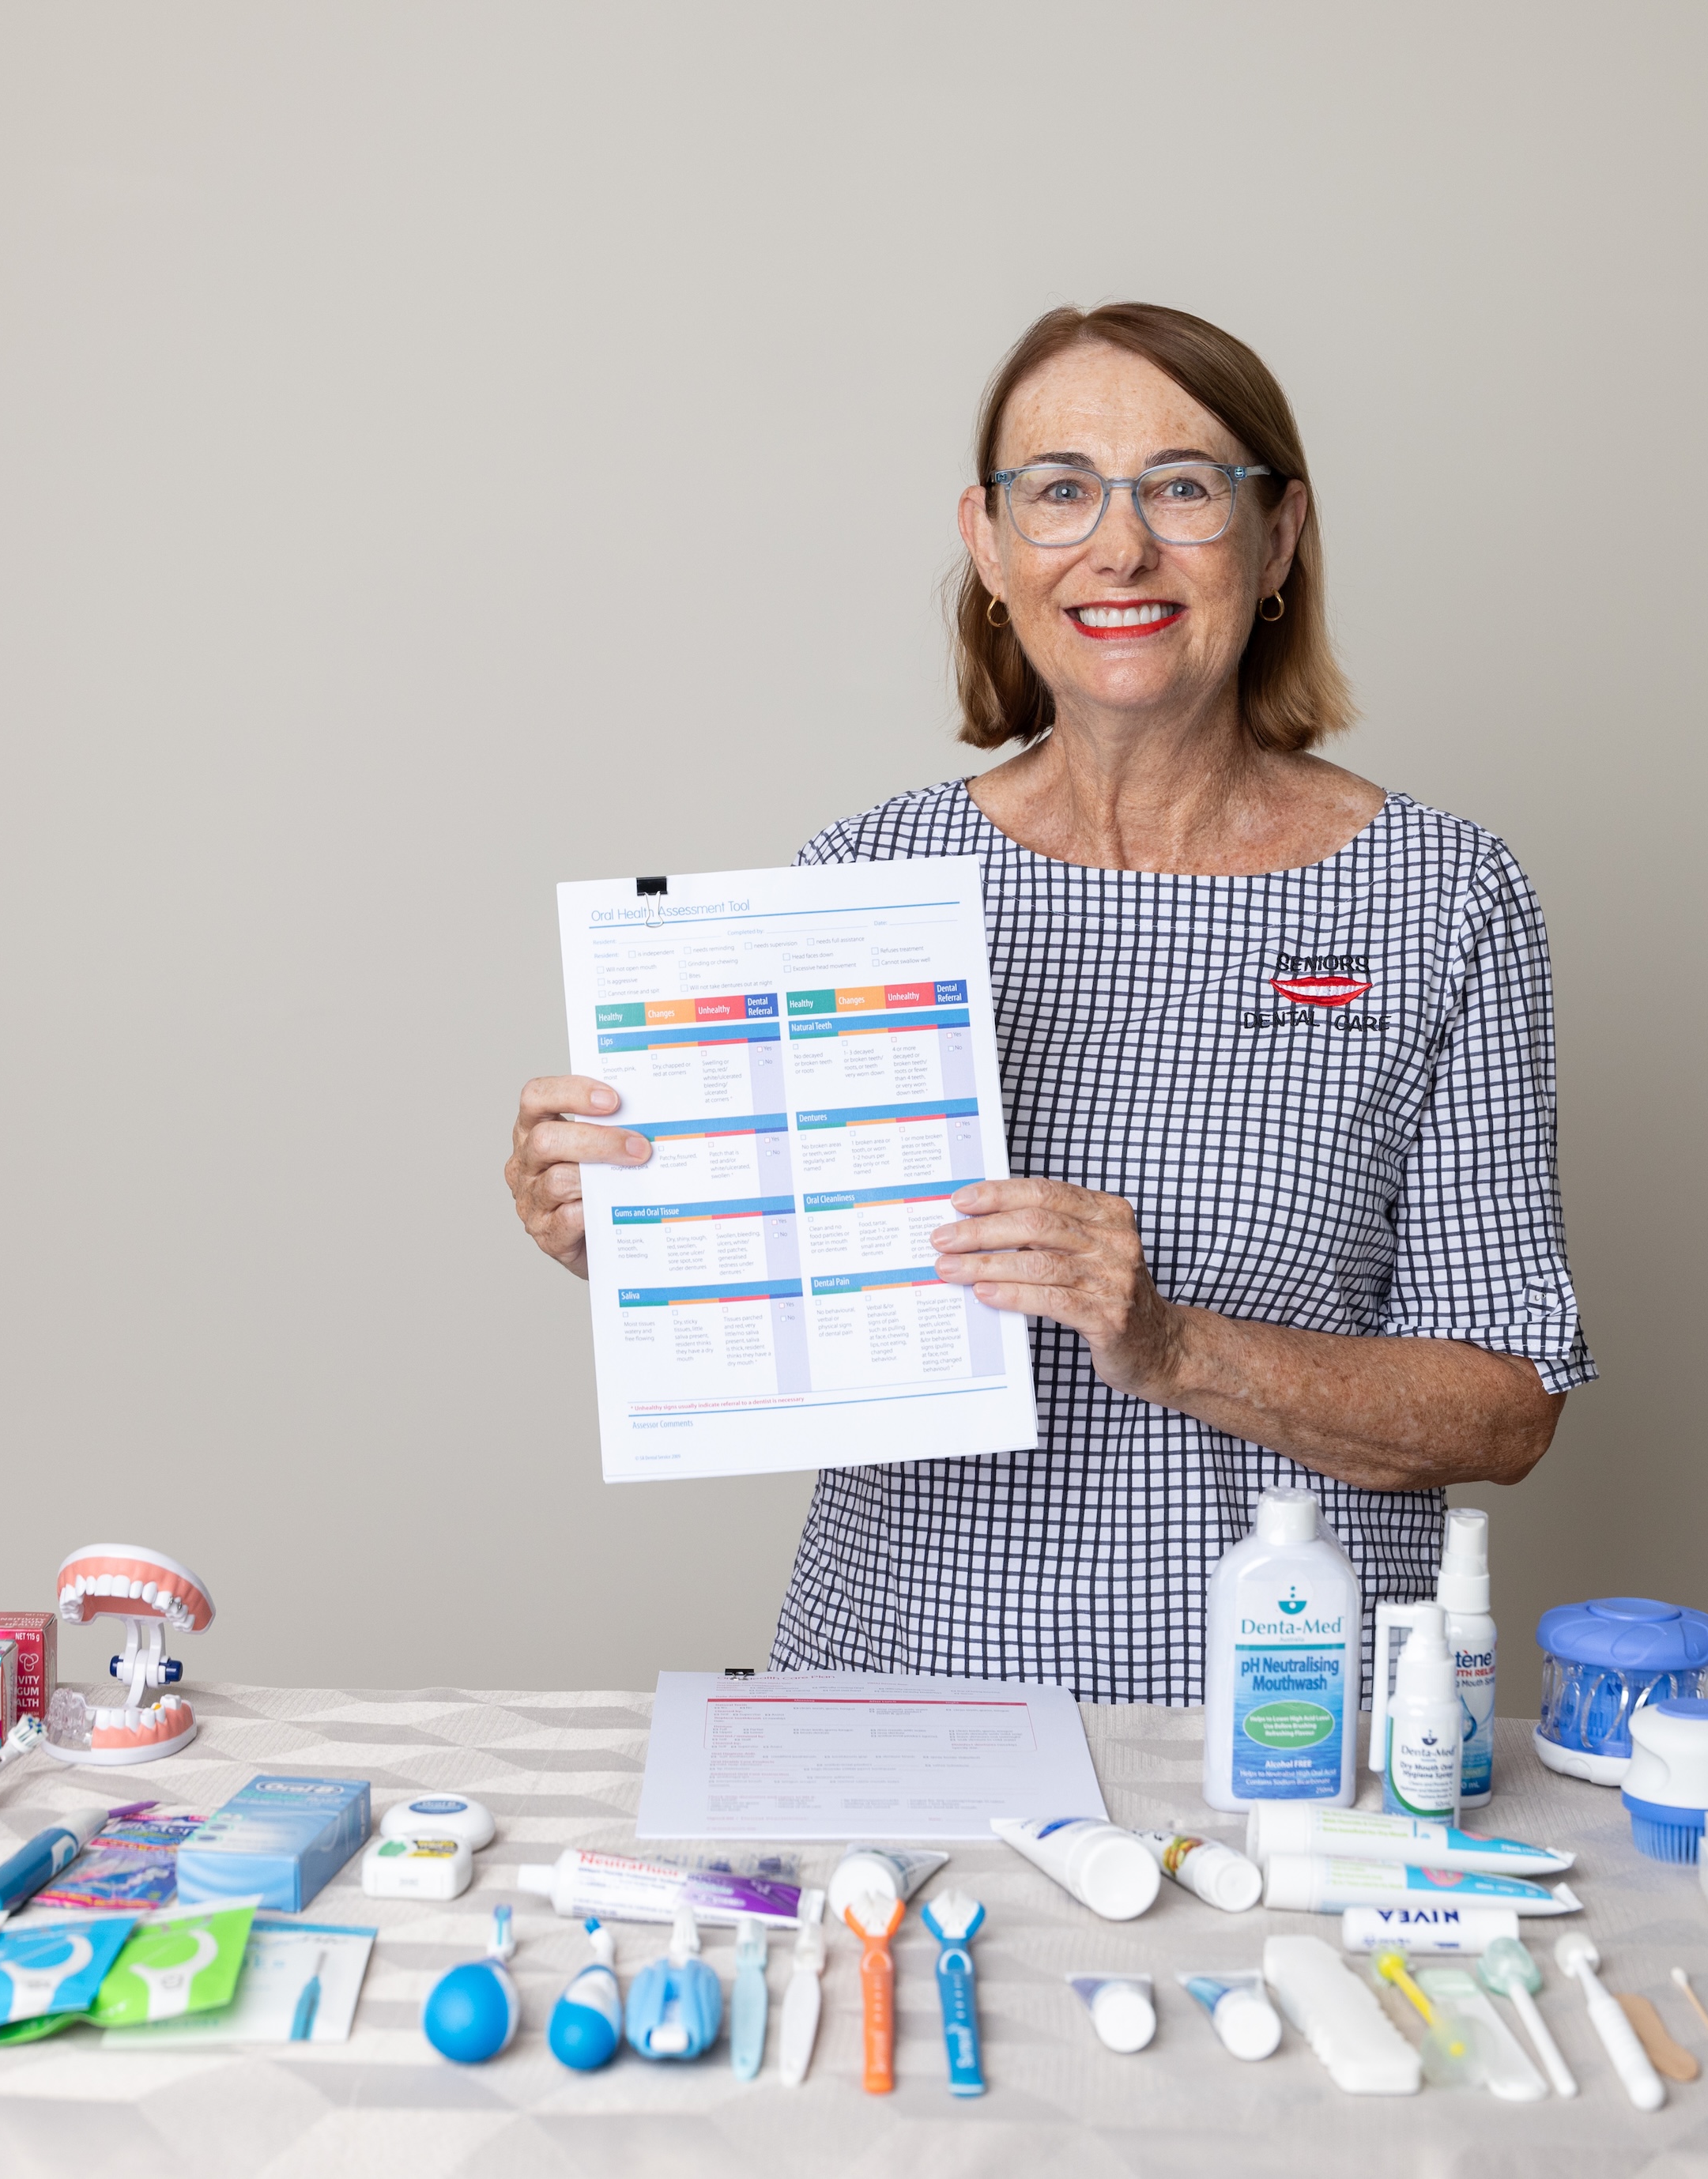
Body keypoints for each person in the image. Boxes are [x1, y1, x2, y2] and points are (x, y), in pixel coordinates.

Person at [504, 302, 1590, 1702]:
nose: (1118, 546)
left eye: (1183, 488)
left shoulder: (1443, 896)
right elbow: (789, 1296)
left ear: (1277, 538)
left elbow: (1506, 1406)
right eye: (1061, 491)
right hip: (898, 1691)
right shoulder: (870, 876)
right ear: (990, 543)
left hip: (1285, 1718)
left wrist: (1172, 1341)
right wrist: (640, 1221)